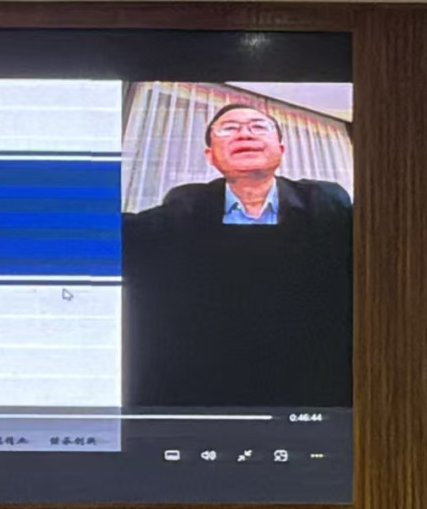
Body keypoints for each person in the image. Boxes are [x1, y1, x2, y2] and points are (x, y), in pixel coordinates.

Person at [122, 102, 353, 409]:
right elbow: (126, 236)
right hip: (212, 385)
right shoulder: (188, 204)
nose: (245, 133)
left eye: (258, 127)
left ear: (280, 149)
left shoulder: (326, 201)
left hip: (314, 385)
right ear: (211, 156)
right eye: (229, 128)